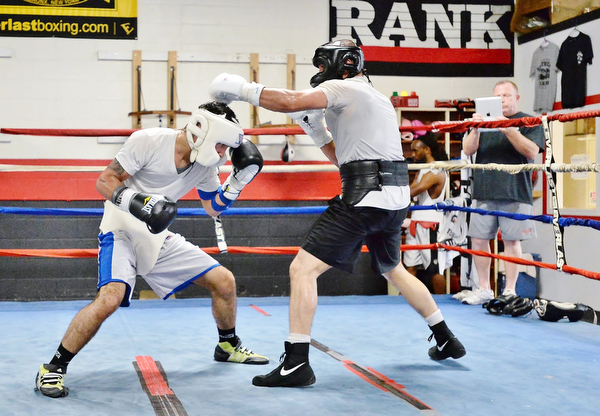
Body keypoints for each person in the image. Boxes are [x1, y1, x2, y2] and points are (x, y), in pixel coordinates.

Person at [209, 39, 466, 388]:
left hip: (365, 197)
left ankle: (296, 362)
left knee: (302, 268)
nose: (318, 73)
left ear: (340, 63)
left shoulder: (343, 87)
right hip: (394, 199)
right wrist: (316, 132)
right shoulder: (374, 97)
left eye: (320, 65)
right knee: (393, 268)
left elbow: (288, 101)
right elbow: (343, 158)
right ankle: (445, 336)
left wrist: (240, 88)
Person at [35, 101, 269, 398]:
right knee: (110, 298)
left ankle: (228, 345)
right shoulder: (149, 141)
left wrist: (237, 183)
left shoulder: (205, 164)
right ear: (204, 132)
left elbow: (212, 207)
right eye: (221, 145)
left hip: (157, 235)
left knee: (224, 281)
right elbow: (104, 180)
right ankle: (53, 367)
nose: (223, 153)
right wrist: (138, 202)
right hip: (120, 229)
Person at [461, 81, 544, 305]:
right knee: (478, 240)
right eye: (498, 96)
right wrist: (476, 128)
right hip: (484, 191)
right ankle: (484, 289)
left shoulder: (529, 120)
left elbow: (531, 151)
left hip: (515, 192)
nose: (502, 100)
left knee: (511, 241)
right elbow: (468, 150)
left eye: (507, 95)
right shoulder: (484, 121)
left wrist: (509, 130)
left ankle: (509, 290)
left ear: (517, 98)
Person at [403, 133, 449, 294]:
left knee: (434, 269)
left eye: (416, 151)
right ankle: (404, 303)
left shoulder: (436, 171)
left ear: (427, 150)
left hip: (430, 226)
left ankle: (442, 304)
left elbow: (413, 191)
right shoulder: (422, 170)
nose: (413, 155)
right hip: (415, 224)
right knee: (409, 266)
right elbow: (411, 193)